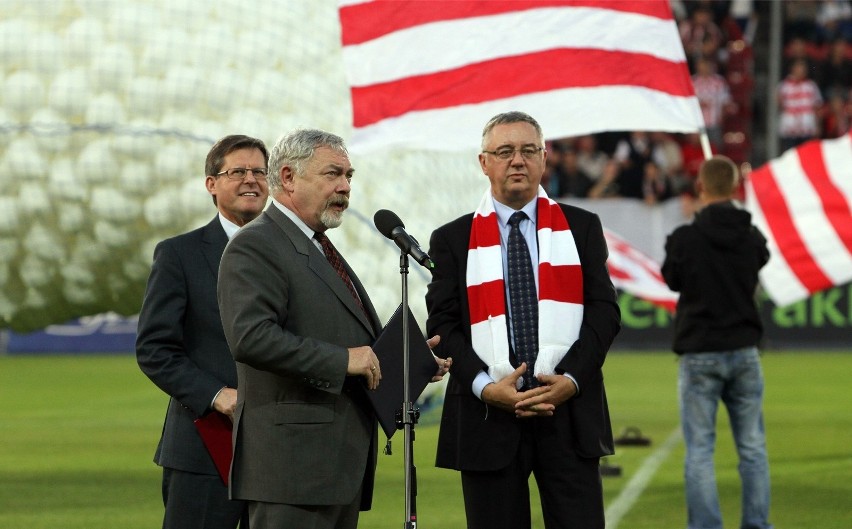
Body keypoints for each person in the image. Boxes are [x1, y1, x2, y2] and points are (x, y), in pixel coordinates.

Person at [216, 128, 448, 529]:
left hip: (335, 467)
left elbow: (347, 340)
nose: (344, 187)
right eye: (333, 174)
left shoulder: (318, 244)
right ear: (288, 177)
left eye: (349, 176)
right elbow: (251, 338)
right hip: (292, 471)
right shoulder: (256, 244)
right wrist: (343, 360)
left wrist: (407, 360)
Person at [425, 111, 621, 529]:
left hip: (569, 416)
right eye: (505, 151)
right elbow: (443, 326)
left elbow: (604, 313)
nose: (518, 160)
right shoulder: (452, 239)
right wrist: (485, 387)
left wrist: (572, 379)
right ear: (484, 163)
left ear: (544, 159)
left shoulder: (582, 227)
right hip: (487, 417)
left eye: (528, 150)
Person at [136, 134, 270, 529]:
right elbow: (155, 349)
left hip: (281, 451)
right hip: (205, 445)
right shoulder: (179, 254)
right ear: (211, 184)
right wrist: (216, 396)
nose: (251, 180)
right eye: (238, 171)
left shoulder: (297, 254)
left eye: (259, 172)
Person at [661, 155, 773, 529]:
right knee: (753, 449)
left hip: (699, 353)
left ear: (700, 187)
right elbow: (761, 259)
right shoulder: (751, 235)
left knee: (700, 453)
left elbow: (672, 279)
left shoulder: (685, 239)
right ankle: (757, 523)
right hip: (743, 351)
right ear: (736, 189)